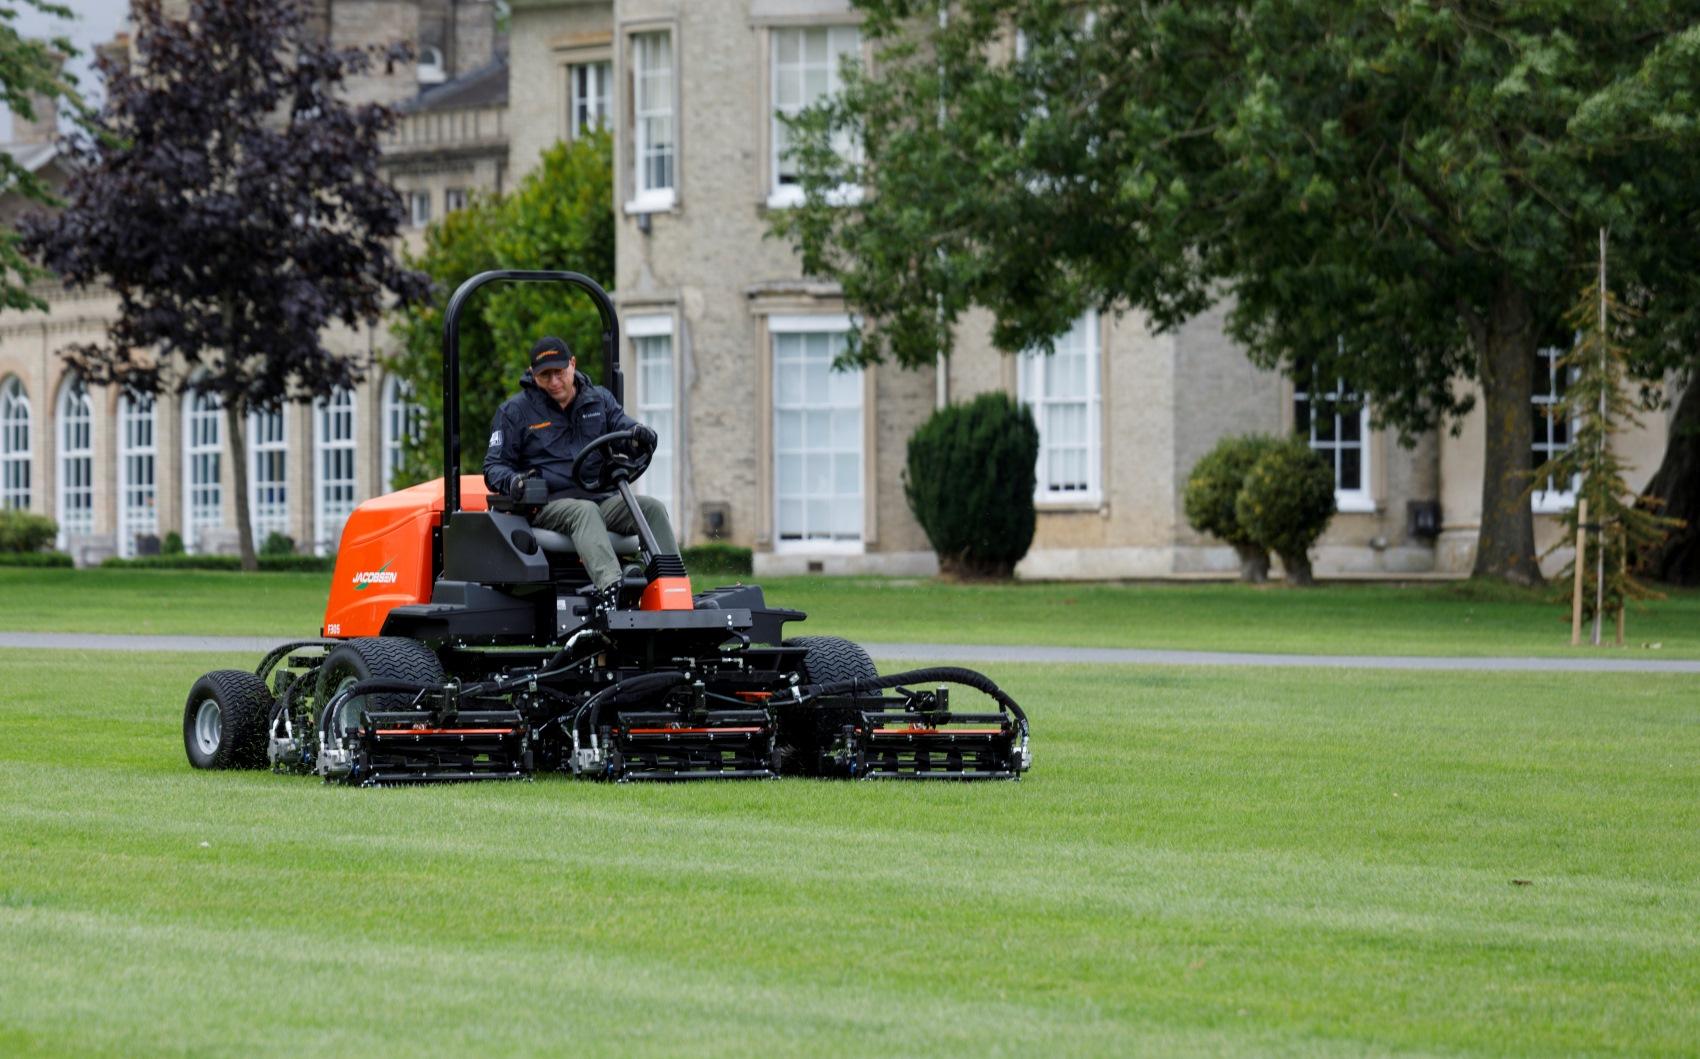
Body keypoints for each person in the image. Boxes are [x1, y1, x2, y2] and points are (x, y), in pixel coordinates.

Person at [483, 336, 678, 606]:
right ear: (532, 374)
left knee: (651, 508)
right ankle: (613, 591)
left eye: (559, 372)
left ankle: (671, 590)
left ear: (572, 365)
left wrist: (639, 436)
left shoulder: (599, 401)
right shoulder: (514, 412)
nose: (554, 382)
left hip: (599, 498)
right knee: (583, 511)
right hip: (548, 505)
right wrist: (515, 481)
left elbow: (624, 429)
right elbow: (494, 467)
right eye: (544, 376)